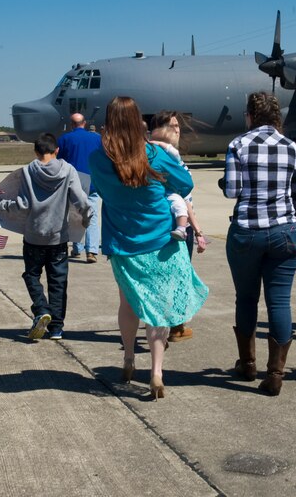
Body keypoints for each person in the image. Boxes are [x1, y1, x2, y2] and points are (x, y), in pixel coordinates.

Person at [89, 97, 208, 400]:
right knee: (159, 309)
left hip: (123, 243)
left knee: (128, 304)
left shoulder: (98, 158)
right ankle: (156, 372)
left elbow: (101, 191)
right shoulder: (154, 153)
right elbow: (184, 183)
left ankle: (128, 358)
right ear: (137, 121)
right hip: (160, 241)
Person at [223, 91, 296, 396]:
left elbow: (232, 191)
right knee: (279, 301)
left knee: (246, 298)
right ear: (276, 117)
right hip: (283, 231)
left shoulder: (238, 145)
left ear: (250, 115)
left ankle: (247, 364)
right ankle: (275, 373)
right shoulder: (292, 148)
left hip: (247, 229)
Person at [0, 132, 92, 341]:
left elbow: (22, 205)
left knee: (31, 275)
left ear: (35, 151)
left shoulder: (28, 172)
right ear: (56, 150)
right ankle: (56, 328)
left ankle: (41, 309)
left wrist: (1, 205)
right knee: (58, 281)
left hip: (33, 236)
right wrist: (86, 219)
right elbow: (81, 200)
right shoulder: (68, 170)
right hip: (58, 238)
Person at [148, 110, 207, 343]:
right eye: (172, 125)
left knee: (170, 275)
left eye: (178, 125)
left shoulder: (161, 154)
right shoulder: (167, 156)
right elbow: (183, 195)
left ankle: (169, 323)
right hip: (173, 223)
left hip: (173, 222)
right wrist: (196, 229)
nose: (177, 129)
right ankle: (175, 325)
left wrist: (198, 228)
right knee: (178, 275)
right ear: (160, 129)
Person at [57, 113, 103, 263]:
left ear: (71, 124)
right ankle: (92, 251)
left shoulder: (64, 139)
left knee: (75, 215)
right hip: (92, 182)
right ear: (84, 123)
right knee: (92, 216)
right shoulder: (97, 138)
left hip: (73, 181)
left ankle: (77, 248)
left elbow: (59, 162)